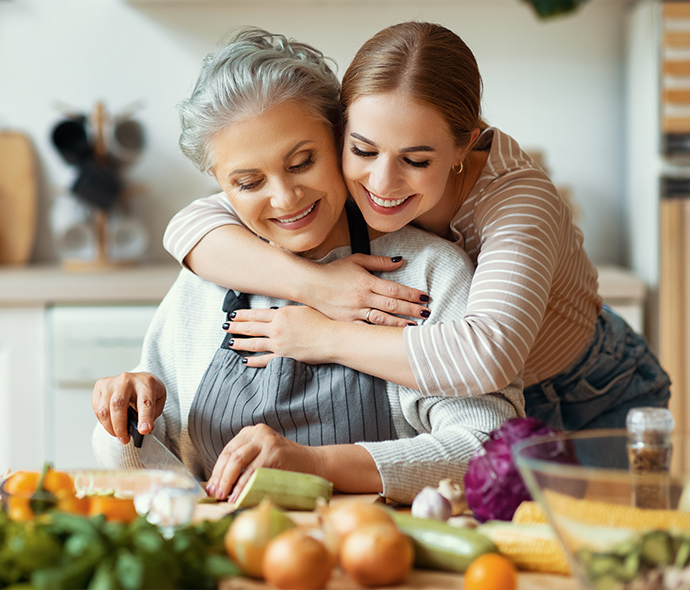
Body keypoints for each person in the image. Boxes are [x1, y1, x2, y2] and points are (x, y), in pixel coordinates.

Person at [162, 21, 670, 433]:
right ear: (342, 130)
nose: (380, 183)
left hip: (585, 391)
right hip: (470, 400)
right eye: (362, 150)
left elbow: (485, 356)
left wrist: (324, 336)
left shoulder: (519, 200)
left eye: (417, 160)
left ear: (464, 145)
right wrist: (319, 286)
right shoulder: (327, 175)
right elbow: (192, 224)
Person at [92, 27, 523, 504]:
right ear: (220, 186)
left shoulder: (426, 272)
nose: (285, 198)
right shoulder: (207, 277)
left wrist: (313, 465)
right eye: (249, 182)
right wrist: (127, 423)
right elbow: (164, 474)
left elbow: (489, 449)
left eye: (301, 161)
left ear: (339, 136)